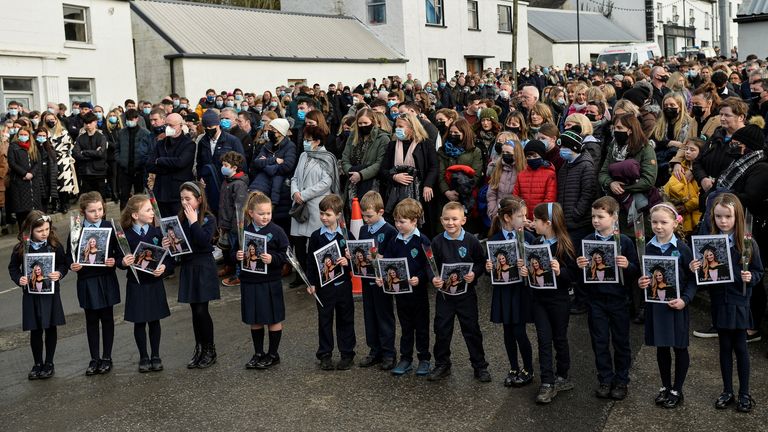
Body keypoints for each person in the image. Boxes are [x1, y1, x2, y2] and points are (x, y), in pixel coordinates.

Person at [690, 194, 762, 412]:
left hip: (740, 302)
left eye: (728, 216)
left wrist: (751, 278)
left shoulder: (747, 243)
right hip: (720, 302)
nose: (723, 221)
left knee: (740, 348)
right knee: (724, 348)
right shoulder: (709, 243)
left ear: (737, 216)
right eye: (719, 216)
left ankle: (744, 393)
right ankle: (727, 390)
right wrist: (695, 269)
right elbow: (703, 278)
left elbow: (758, 271)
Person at [576, 196, 639, 400]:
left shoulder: (625, 242)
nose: (595, 220)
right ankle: (605, 378)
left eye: (600, 216)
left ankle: (621, 380)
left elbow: (637, 272)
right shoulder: (587, 241)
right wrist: (581, 266)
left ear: (613, 217)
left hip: (619, 300)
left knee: (621, 342)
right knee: (599, 341)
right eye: (593, 216)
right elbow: (581, 277)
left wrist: (627, 266)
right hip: (596, 300)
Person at [637, 203, 697, 409]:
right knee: (661, 348)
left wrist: (685, 299)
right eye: (654, 222)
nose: (659, 226)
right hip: (657, 308)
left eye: (664, 222)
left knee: (679, 347)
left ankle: (677, 389)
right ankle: (665, 386)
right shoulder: (646, 247)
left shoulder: (682, 248)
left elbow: (693, 279)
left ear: (674, 223)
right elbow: (642, 275)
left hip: (677, 307)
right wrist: (641, 283)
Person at [520, 202, 577, 404]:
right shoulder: (535, 242)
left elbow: (574, 276)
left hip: (559, 300)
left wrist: (560, 271)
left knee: (559, 338)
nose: (533, 223)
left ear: (548, 223)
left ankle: (562, 374)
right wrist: (525, 272)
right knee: (544, 340)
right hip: (539, 300)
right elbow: (532, 271)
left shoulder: (565, 245)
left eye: (536, 220)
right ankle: (547, 381)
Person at [429, 201, 490, 383]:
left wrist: (475, 274)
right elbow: (431, 266)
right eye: (446, 219)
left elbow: (481, 262)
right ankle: (442, 364)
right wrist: (434, 278)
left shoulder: (471, 240)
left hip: (466, 296)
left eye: (455, 219)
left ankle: (479, 366)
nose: (450, 223)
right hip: (445, 296)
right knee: (442, 330)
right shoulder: (437, 241)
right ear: (441, 220)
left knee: (471, 330)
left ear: (463, 220)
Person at [8, 211, 68, 380]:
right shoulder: (21, 248)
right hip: (31, 295)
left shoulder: (55, 245)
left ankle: (49, 362)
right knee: (35, 330)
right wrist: (18, 278)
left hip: (50, 294)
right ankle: (37, 363)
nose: (44, 233)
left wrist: (59, 274)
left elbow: (63, 265)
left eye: (47, 229)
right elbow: (13, 268)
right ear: (30, 230)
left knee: (50, 327)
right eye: (40, 230)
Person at [376, 198, 432, 377]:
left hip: (419, 293)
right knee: (406, 328)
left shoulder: (423, 240)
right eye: (396, 221)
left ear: (414, 221)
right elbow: (388, 264)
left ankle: (424, 359)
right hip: (401, 294)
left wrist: (420, 278)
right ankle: (406, 358)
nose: (398, 225)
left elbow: (429, 266)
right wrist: (382, 278)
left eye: (402, 221)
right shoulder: (394, 241)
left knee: (422, 327)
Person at [66, 192, 120, 376]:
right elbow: (68, 256)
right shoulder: (76, 231)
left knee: (107, 318)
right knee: (91, 320)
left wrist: (114, 260)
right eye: (92, 211)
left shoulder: (109, 227)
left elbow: (119, 254)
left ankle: (107, 357)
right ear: (83, 212)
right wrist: (72, 265)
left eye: (99, 210)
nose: (97, 214)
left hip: (106, 278)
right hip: (87, 280)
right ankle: (94, 358)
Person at [235, 191, 290, 370]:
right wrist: (237, 255)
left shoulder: (277, 231)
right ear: (251, 213)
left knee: (273, 318)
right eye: (261, 213)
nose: (266, 217)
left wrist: (272, 258)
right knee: (255, 318)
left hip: (270, 282)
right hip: (250, 281)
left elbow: (285, 254)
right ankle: (258, 352)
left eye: (268, 213)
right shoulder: (245, 230)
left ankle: (273, 354)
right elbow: (233, 251)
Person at [119, 194, 172, 372]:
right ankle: (143, 356)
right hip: (136, 284)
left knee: (154, 320)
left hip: (154, 282)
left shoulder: (157, 233)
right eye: (148, 210)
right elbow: (118, 257)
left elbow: (168, 259)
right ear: (135, 215)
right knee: (140, 321)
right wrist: (123, 263)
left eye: (151, 209)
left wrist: (163, 267)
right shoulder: (124, 236)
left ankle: (155, 354)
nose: (152, 213)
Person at [486, 197, 536, 387]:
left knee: (519, 331)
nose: (525, 219)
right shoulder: (494, 240)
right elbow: (488, 268)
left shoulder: (529, 238)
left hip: (521, 291)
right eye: (521, 216)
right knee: (508, 331)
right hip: (504, 291)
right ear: (507, 217)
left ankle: (528, 368)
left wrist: (528, 268)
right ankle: (514, 367)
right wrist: (488, 267)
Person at [169, 181, 220, 369]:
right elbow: (182, 246)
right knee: (194, 310)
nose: (184, 203)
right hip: (189, 266)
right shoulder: (180, 218)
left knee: (202, 310)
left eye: (188, 198)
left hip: (203, 266)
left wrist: (193, 222)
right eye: (182, 199)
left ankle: (210, 349)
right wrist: (171, 243)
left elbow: (204, 241)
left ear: (199, 199)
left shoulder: (208, 219)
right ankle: (199, 347)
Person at [306, 194, 356, 371]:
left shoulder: (346, 235)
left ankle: (347, 354)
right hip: (324, 287)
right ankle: (325, 354)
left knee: (345, 319)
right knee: (325, 320)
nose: (324, 218)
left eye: (328, 214)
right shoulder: (315, 236)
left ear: (338, 215)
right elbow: (311, 262)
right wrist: (311, 282)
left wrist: (348, 262)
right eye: (321, 213)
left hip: (343, 285)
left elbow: (356, 261)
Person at [289, 125, 340, 288]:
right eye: (304, 140)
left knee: (315, 242)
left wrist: (304, 195)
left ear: (317, 141)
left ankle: (319, 275)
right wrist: (295, 192)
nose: (305, 143)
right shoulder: (304, 155)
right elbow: (295, 177)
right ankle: (301, 275)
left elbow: (326, 182)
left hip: (316, 205)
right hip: (299, 205)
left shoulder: (327, 157)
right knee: (298, 242)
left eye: (308, 140)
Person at [355, 191, 398, 370]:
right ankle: (375, 351)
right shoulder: (364, 229)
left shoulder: (390, 231)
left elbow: (394, 257)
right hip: (367, 278)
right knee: (369, 315)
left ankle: (389, 353)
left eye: (369, 216)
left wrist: (382, 257)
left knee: (384, 315)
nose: (365, 220)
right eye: (364, 216)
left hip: (383, 281)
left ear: (380, 212)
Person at [556, 130, 597, 314]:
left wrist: (576, 213)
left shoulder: (586, 166)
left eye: (565, 146)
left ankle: (582, 301)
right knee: (571, 262)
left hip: (578, 223)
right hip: (567, 222)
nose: (562, 150)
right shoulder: (566, 165)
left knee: (579, 263)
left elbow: (587, 193)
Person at [379, 112, 437, 233]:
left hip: (419, 192)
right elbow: (383, 170)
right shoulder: (392, 144)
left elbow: (433, 167)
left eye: (401, 126)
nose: (397, 129)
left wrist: (428, 185)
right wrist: (394, 176)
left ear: (412, 128)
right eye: (396, 126)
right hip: (396, 193)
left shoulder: (426, 144)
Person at [249, 117, 296, 235]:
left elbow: (287, 166)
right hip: (265, 185)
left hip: (280, 191)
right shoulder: (267, 146)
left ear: (280, 132)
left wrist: (267, 165)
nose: (269, 132)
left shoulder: (290, 146)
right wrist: (274, 160)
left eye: (272, 129)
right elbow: (257, 162)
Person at [146, 113, 195, 217]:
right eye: (166, 125)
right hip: (161, 192)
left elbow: (181, 162)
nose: (168, 128)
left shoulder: (188, 144)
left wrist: (160, 160)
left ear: (181, 126)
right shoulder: (161, 143)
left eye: (171, 125)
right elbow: (149, 165)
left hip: (178, 193)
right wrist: (167, 168)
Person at [341, 108, 389, 203]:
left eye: (365, 123)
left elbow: (379, 163)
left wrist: (361, 175)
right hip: (352, 179)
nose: (363, 126)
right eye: (360, 123)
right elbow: (345, 157)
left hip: (372, 183)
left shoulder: (383, 138)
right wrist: (350, 172)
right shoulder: (353, 136)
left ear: (373, 122)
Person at [218, 151, 250, 287]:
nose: (223, 167)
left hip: (234, 227)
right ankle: (229, 267)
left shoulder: (239, 185)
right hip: (225, 224)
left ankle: (239, 275)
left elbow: (239, 209)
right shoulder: (227, 181)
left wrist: (233, 227)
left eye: (225, 165)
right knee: (228, 250)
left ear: (234, 167)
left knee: (237, 251)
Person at [650, 93, 694, 187]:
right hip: (660, 158)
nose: (668, 108)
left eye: (672, 105)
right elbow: (652, 141)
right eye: (665, 105)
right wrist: (670, 143)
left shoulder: (689, 123)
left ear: (680, 107)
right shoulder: (660, 122)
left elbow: (688, 144)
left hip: (681, 159)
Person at [8, 127, 47, 229]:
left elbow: (37, 163)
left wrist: (31, 174)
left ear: (29, 136)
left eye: (25, 135)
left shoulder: (33, 146)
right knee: (21, 210)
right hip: (19, 182)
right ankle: (23, 232)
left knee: (34, 209)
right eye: (21, 134)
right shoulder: (13, 146)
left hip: (32, 182)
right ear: (18, 135)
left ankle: (34, 230)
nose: (23, 136)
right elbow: (12, 163)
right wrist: (24, 173)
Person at [663, 138, 703, 236]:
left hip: (695, 214)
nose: (688, 152)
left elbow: (701, 195)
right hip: (678, 210)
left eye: (692, 150)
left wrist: (687, 205)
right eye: (686, 149)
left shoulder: (703, 170)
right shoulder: (679, 167)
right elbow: (670, 187)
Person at [512, 140, 556, 221]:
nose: (531, 159)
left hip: (541, 219)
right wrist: (523, 218)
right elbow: (515, 197)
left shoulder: (550, 174)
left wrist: (537, 220)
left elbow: (549, 199)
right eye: (528, 156)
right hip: (524, 219)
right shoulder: (521, 175)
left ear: (542, 156)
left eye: (535, 156)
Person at [486, 132, 526, 220]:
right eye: (503, 152)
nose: (505, 154)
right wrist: (493, 212)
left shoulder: (523, 171)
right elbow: (491, 193)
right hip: (498, 214)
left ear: (516, 153)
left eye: (508, 152)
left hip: (516, 216)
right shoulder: (498, 168)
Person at [115, 109, 150, 209]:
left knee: (139, 197)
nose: (130, 121)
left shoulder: (145, 133)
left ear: (137, 119)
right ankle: (124, 220)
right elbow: (117, 149)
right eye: (128, 119)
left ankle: (139, 217)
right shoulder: (121, 133)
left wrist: (143, 163)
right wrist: (120, 160)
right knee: (124, 196)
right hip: (125, 170)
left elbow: (148, 151)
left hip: (139, 171)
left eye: (132, 119)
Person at [73, 112, 108, 195]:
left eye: (90, 123)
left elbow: (100, 153)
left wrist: (84, 152)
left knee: (100, 197)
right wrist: (93, 153)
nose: (88, 125)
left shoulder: (101, 137)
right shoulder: (80, 138)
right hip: (85, 171)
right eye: (86, 123)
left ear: (95, 122)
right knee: (87, 198)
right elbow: (77, 154)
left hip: (99, 172)